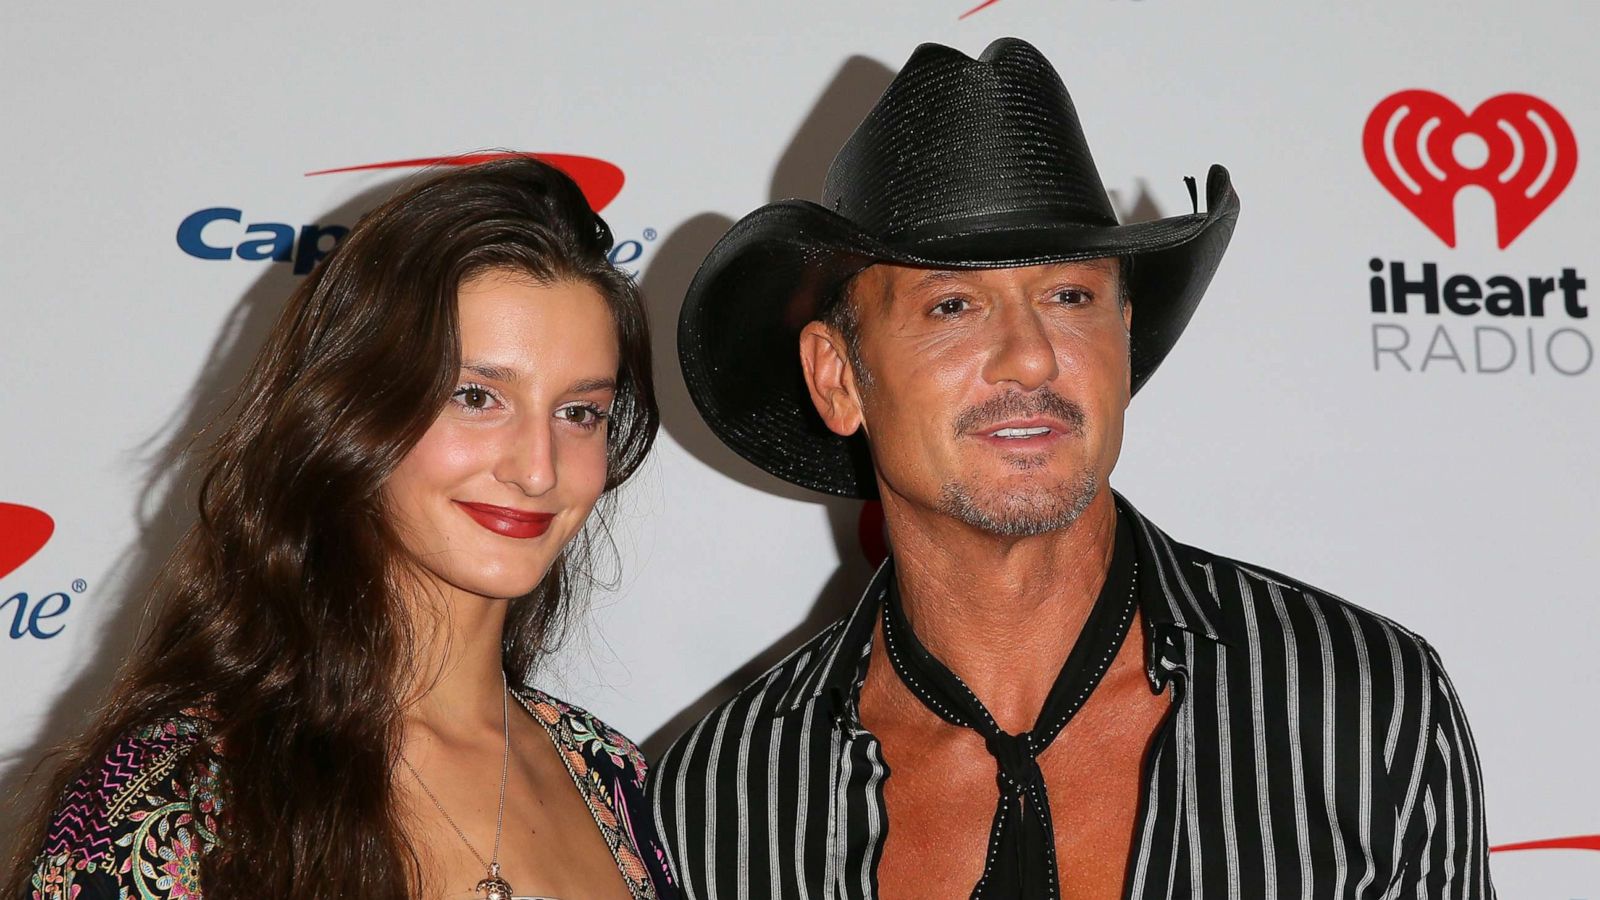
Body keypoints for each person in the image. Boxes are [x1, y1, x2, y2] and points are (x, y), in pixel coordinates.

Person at [651, 38, 1494, 899]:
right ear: (838, 378)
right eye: (952, 305)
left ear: (1123, 340)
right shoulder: (720, 798)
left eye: (1069, 298)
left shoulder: (1362, 708)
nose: (1029, 359)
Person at [7, 158, 678, 900]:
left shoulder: (612, 777)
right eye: (475, 395)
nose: (538, 469)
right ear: (351, 416)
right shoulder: (182, 799)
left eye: (579, 412)